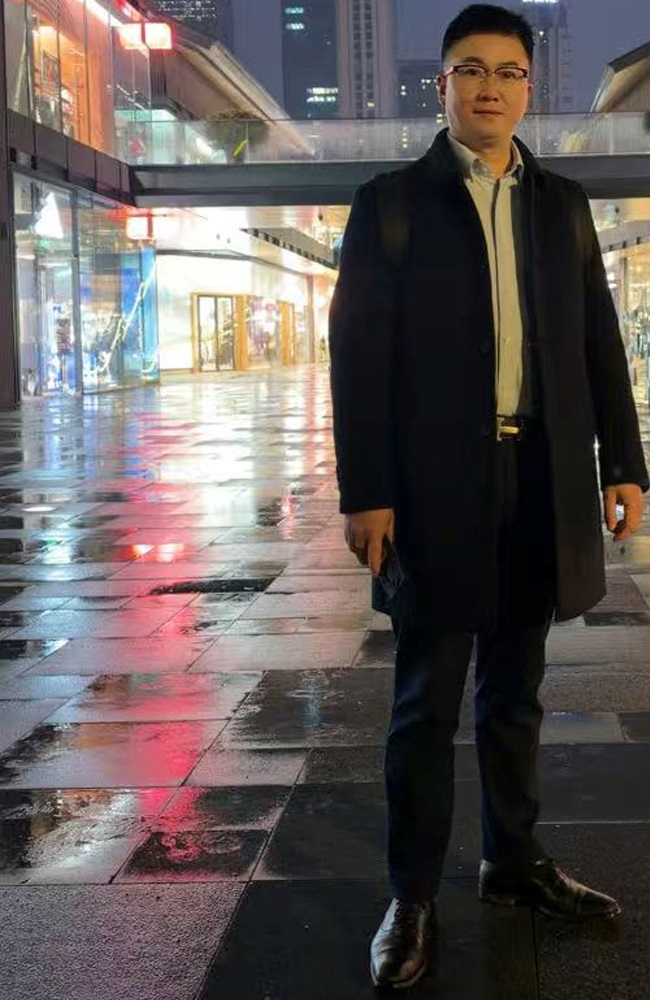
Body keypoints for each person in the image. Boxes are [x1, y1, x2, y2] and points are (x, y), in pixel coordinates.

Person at [328, 4, 648, 991]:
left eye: (507, 72)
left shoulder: (561, 204)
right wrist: (366, 491)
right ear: (442, 85)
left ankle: (513, 860)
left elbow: (597, 338)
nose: (489, 87)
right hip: (432, 490)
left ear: (527, 88)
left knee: (515, 691)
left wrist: (623, 462)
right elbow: (357, 357)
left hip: (540, 480)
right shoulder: (391, 204)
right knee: (424, 700)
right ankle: (411, 895)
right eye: (470, 69)